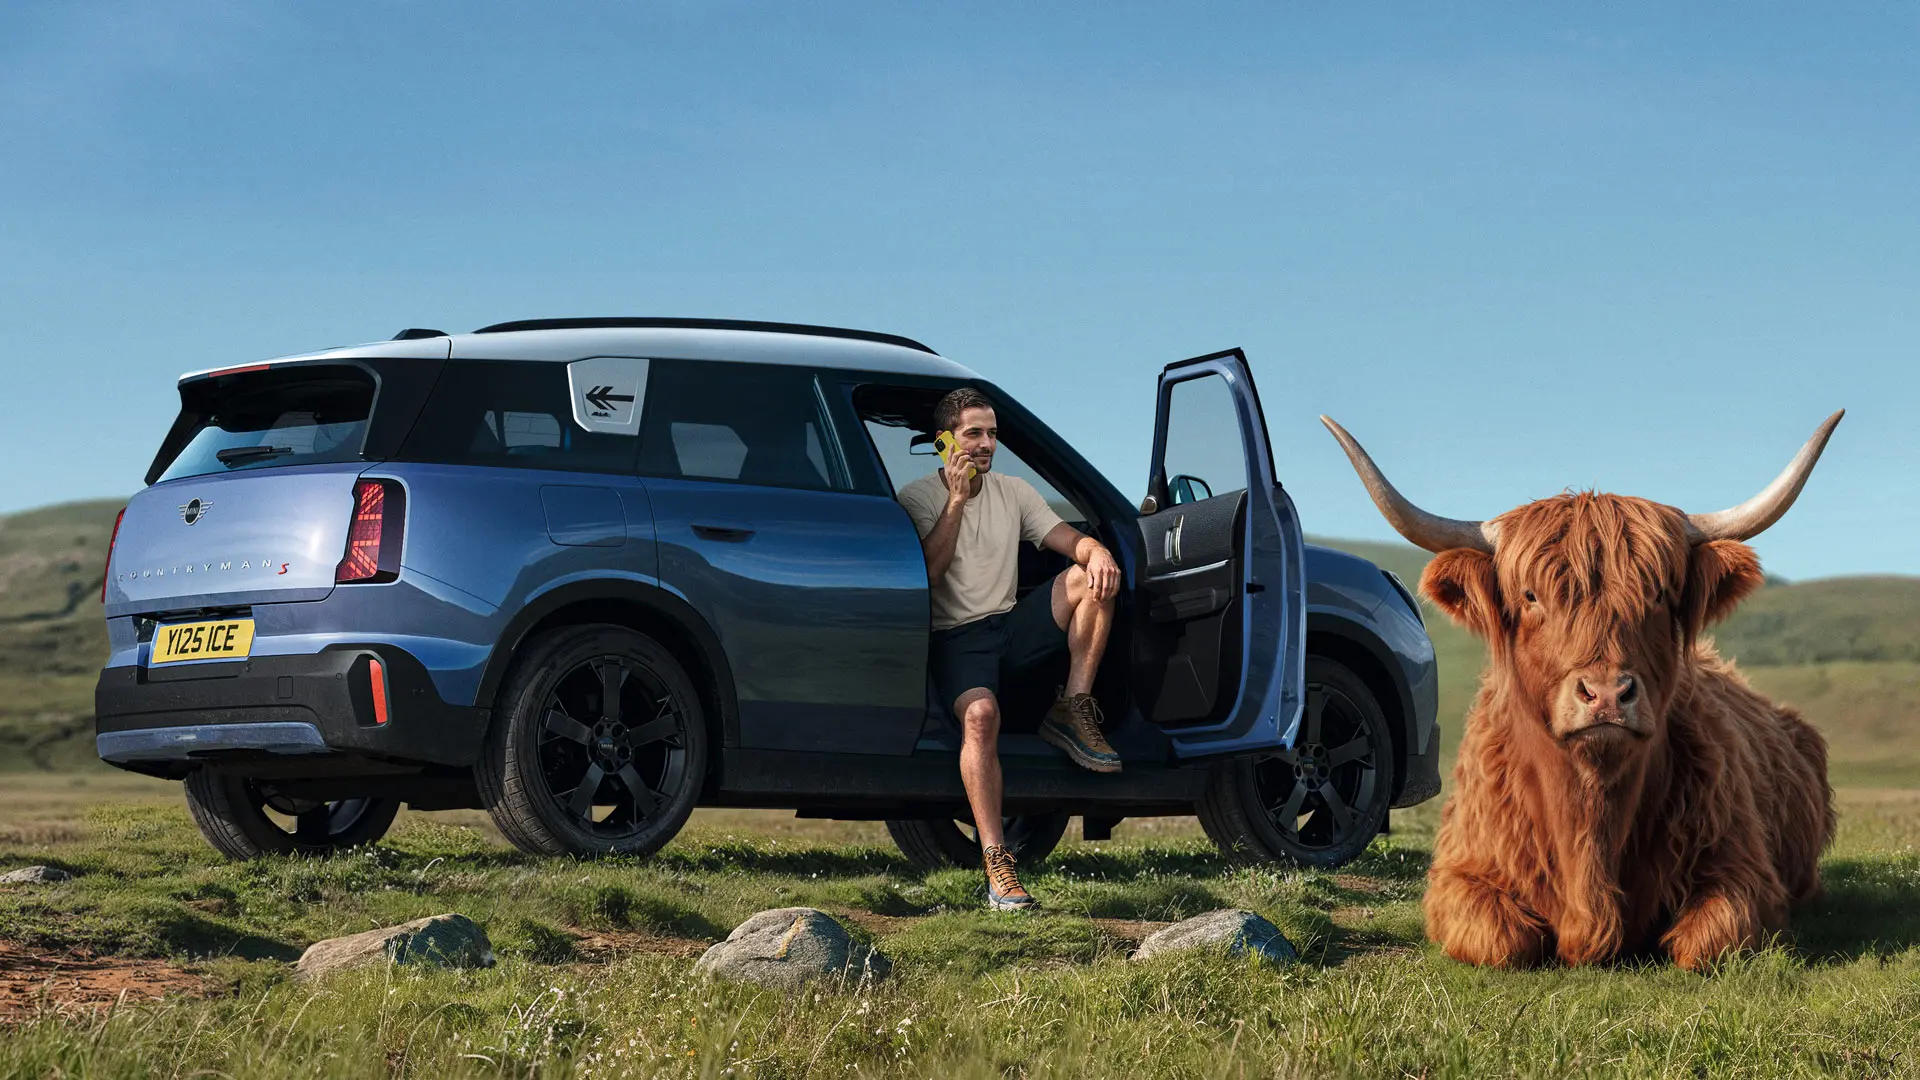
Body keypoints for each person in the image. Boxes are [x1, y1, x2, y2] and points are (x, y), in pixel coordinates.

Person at [897, 387, 1121, 911]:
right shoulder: (918, 497)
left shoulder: (1014, 491)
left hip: (1011, 628)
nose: (986, 445)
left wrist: (1099, 551)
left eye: (992, 434)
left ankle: (1074, 708)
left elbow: (1069, 539)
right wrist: (956, 500)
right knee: (981, 716)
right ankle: (997, 863)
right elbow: (928, 573)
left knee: (1088, 578)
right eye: (974, 433)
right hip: (957, 639)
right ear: (945, 442)